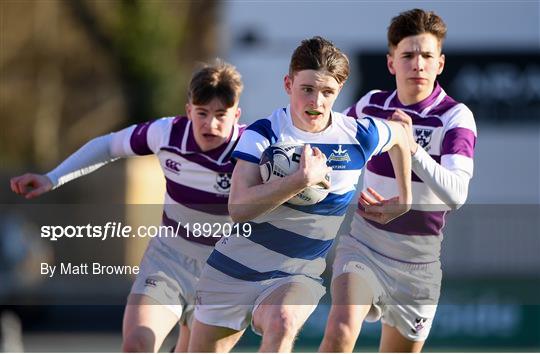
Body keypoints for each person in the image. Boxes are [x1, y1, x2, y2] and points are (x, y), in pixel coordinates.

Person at [188, 36, 412, 353]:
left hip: (295, 274)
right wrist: (300, 180)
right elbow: (238, 207)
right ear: (288, 84)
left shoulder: (358, 136)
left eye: (327, 92)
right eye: (307, 89)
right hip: (232, 270)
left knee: (283, 322)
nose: (316, 101)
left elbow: (402, 135)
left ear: (340, 90)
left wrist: (405, 198)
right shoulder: (264, 133)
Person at [10, 60, 245, 352]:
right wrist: (52, 178)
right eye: (202, 113)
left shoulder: (251, 149)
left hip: (225, 271)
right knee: (136, 344)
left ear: (237, 115)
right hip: (169, 260)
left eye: (221, 115)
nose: (210, 124)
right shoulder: (167, 133)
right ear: (188, 111)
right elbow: (108, 146)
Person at [319, 9, 477, 352]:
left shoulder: (455, 117)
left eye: (426, 56)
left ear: (440, 63)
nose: (417, 64)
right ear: (392, 63)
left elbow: (456, 195)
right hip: (365, 246)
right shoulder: (369, 106)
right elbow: (332, 149)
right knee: (340, 331)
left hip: (419, 266)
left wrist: (410, 148)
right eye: (407, 55)